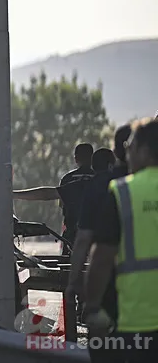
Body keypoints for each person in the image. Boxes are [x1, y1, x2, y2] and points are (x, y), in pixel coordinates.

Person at [85, 119, 158, 362]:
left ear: (146, 152)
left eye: (130, 146)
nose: (126, 153)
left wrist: (93, 306)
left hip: (137, 321)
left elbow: (102, 257)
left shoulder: (124, 192)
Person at [67, 126, 131, 362]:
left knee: (106, 352)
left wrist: (75, 282)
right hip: (146, 297)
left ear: (116, 151)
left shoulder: (101, 185)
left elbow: (87, 242)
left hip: (109, 289)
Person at [14, 143, 96, 254]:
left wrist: (14, 194)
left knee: (68, 267)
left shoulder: (69, 179)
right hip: (98, 238)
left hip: (72, 237)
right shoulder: (101, 179)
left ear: (76, 158)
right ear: (92, 158)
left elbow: (52, 198)